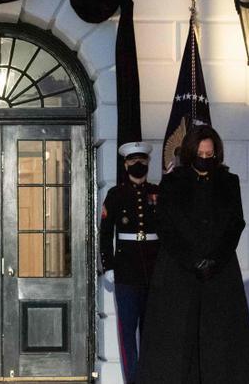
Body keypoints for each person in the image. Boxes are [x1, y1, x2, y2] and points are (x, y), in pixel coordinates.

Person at [138, 125, 249, 383]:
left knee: (220, 339)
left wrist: (214, 258)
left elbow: (236, 223)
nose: (205, 158)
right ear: (191, 153)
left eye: (210, 153)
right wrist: (192, 259)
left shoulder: (228, 181)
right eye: (201, 153)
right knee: (179, 340)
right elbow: (165, 226)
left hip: (220, 271)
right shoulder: (172, 183)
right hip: (179, 271)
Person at [99, 142, 160, 384]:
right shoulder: (116, 194)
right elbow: (105, 233)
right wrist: (109, 265)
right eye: (133, 162)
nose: (138, 165)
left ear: (148, 163)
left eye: (142, 161)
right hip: (126, 271)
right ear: (125, 165)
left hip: (154, 270)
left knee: (151, 331)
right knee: (127, 333)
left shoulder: (158, 192)